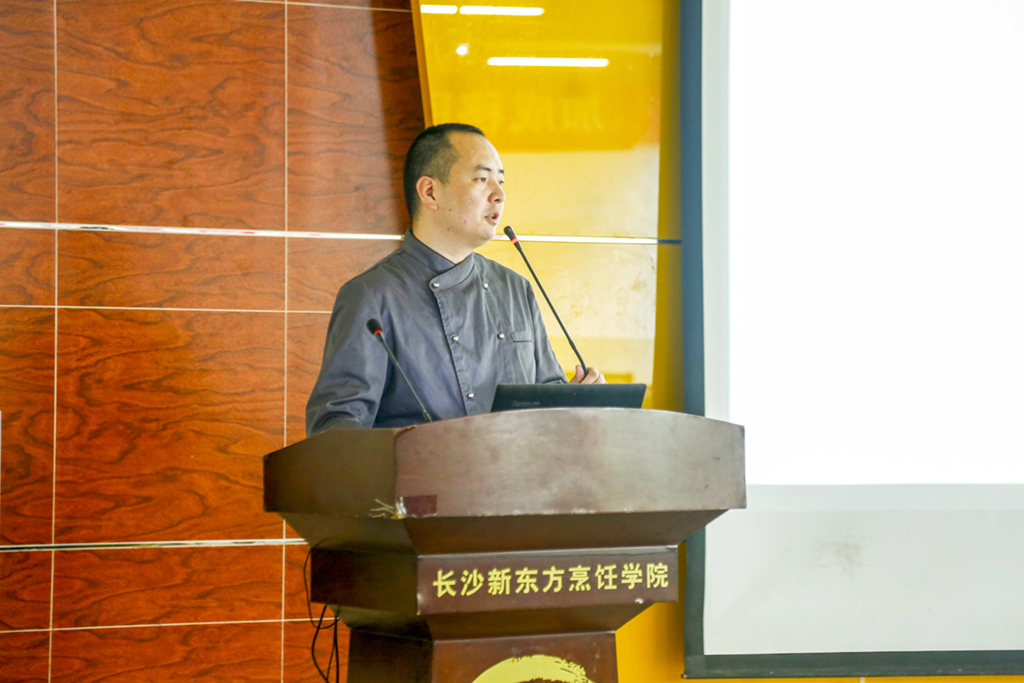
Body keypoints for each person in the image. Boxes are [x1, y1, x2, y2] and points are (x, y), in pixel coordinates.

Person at [306, 123, 604, 435]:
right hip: (422, 469)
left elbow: (547, 400)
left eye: (501, 181)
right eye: (481, 179)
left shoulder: (516, 288)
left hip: (518, 468)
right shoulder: (372, 295)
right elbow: (335, 430)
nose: (499, 195)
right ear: (430, 192)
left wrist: (578, 402)